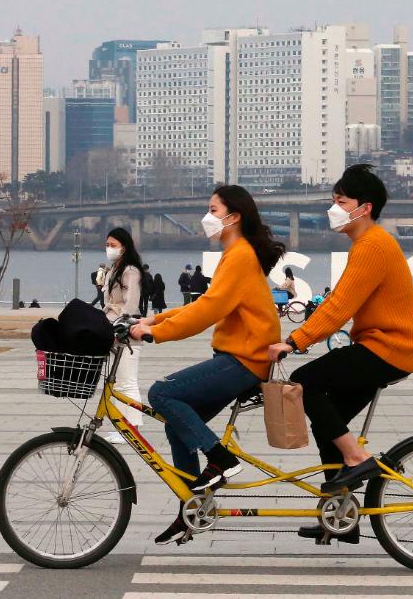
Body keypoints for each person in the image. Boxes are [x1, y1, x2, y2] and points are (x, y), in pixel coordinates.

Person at [268, 164, 413, 544]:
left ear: (363, 208)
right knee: (327, 422)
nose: (332, 209)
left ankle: (357, 460)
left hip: (386, 348)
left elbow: (340, 307)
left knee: (304, 382)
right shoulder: (368, 244)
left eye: (340, 201)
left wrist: (295, 341)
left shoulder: (372, 246)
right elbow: (339, 303)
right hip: (381, 347)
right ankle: (341, 515)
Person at [130, 184, 283, 546]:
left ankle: (221, 460)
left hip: (246, 360)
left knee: (162, 392)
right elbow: (207, 303)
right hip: (237, 357)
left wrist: (156, 334)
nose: (207, 217)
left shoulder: (240, 255)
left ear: (234, 216)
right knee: (175, 425)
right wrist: (155, 320)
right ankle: (192, 508)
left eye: (213, 210)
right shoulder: (236, 254)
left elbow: (209, 311)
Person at [101, 227, 146, 444]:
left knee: (128, 381)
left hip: (125, 331)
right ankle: (122, 426)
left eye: (113, 245)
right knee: (118, 382)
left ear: (124, 247)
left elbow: (130, 302)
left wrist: (120, 324)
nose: (109, 249)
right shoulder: (115, 269)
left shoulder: (130, 270)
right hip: (114, 329)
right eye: (107, 245)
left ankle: (132, 427)